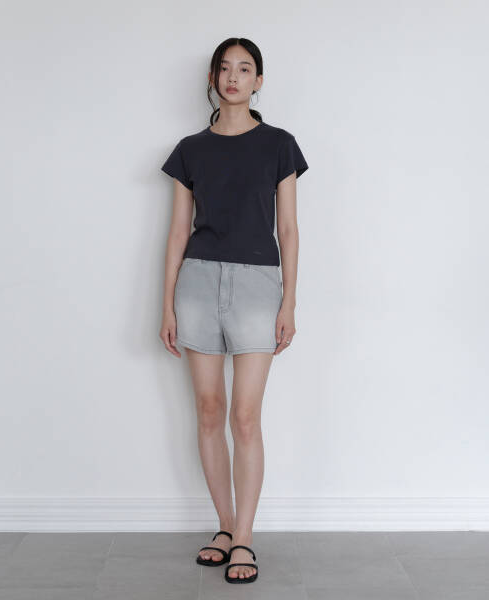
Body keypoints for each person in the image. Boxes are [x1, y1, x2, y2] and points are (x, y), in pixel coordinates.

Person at [159, 37, 308, 584]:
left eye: (245, 69)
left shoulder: (279, 145)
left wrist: (289, 300)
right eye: (225, 68)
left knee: (245, 417)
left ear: (258, 81)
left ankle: (244, 536)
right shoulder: (190, 150)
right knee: (208, 410)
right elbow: (178, 232)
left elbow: (288, 229)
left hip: (258, 285)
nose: (234, 77)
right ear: (213, 78)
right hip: (197, 283)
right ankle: (225, 527)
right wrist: (167, 304)